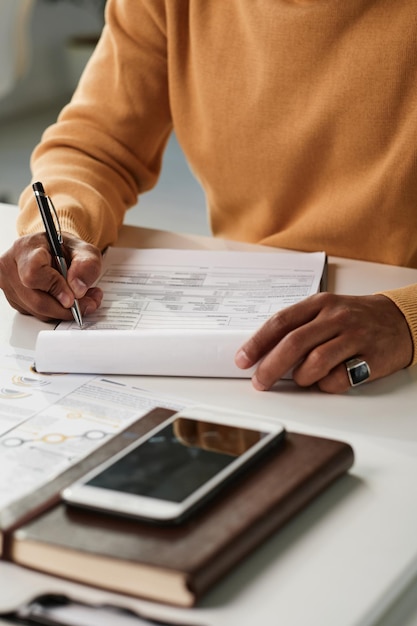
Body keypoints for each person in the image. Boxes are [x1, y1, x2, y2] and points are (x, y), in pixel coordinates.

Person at [0, 0, 416, 393]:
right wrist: (58, 231)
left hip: (392, 356)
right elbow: (95, 146)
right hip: (252, 330)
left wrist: (406, 317)